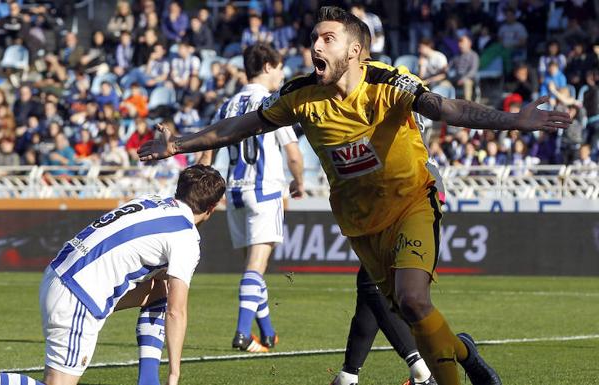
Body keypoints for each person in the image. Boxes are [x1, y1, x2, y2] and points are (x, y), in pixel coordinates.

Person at [138, 6, 571, 385]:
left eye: (329, 38)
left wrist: (515, 121)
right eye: (313, 39)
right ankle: (464, 353)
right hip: (361, 222)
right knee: (410, 315)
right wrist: (179, 144)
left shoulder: (388, 83)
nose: (316, 47)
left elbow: (446, 108)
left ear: (355, 52)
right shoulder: (300, 96)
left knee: (414, 299)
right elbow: (243, 126)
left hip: (413, 200)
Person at [0, 165, 226, 385]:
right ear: (212, 207)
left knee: (160, 289)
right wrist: (174, 374)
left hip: (59, 273)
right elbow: (176, 311)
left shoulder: (150, 199)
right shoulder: (186, 238)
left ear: (180, 189)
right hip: (77, 296)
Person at [331, 20, 436, 385]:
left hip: (399, 198)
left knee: (376, 288)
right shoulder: (397, 81)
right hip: (400, 193)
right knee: (369, 289)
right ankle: (348, 374)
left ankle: (421, 370)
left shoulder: (383, 85)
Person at [199, 43, 304, 353]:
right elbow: (294, 155)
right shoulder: (272, 102)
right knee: (255, 268)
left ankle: (267, 332)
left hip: (235, 193)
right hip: (264, 189)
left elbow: (207, 155)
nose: (282, 74)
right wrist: (298, 182)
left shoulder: (226, 106)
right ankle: (243, 334)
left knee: (252, 266)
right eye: (281, 67)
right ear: (269, 66)